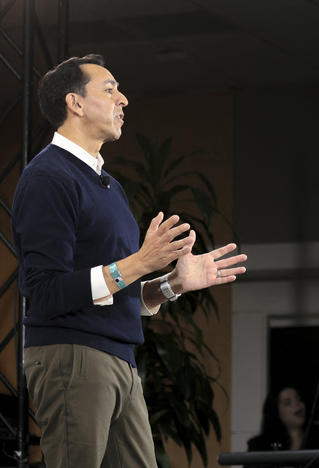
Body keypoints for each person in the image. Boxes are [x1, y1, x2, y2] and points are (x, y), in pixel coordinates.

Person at [11, 54, 247, 467]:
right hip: (72, 356)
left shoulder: (109, 186)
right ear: (75, 104)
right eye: (109, 89)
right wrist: (139, 262)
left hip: (119, 359)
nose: (124, 99)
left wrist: (172, 284)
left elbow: (110, 290)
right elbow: (44, 292)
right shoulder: (48, 177)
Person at [246, 385, 319, 468]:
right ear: (275, 410)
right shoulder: (259, 446)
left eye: (299, 399)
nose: (297, 404)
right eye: (288, 402)